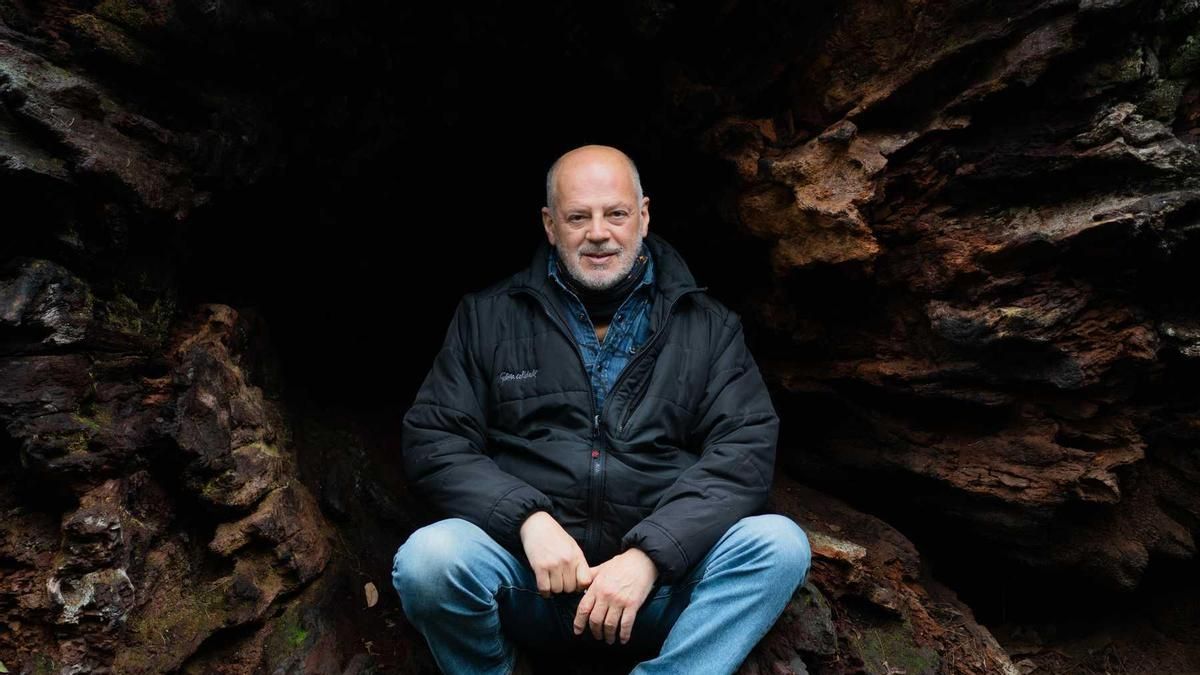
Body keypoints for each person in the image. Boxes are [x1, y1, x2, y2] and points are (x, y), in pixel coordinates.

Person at [391, 144, 811, 675]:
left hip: (658, 592)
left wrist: (651, 556)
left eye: (615, 213)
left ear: (644, 215)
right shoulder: (487, 317)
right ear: (549, 224)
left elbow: (744, 452)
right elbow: (434, 438)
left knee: (779, 545)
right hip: (527, 583)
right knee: (429, 559)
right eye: (577, 217)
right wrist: (528, 519)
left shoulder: (709, 326)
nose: (598, 232)